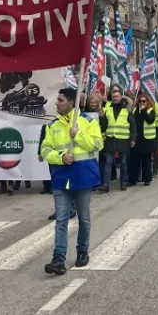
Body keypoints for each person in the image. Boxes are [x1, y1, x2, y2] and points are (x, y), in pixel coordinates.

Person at [42, 88, 102, 275]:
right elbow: (45, 151)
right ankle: (59, 258)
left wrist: (79, 135)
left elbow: (98, 144)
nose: (56, 103)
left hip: (83, 176)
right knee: (61, 219)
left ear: (70, 103)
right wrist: (60, 157)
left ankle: (82, 251)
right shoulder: (52, 126)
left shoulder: (89, 121)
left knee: (84, 218)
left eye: (60, 100)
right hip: (61, 177)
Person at [99, 88, 136, 192]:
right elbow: (104, 126)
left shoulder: (127, 110)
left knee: (123, 164)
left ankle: (123, 183)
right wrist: (102, 118)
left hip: (123, 141)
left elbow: (133, 125)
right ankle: (105, 185)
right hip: (111, 140)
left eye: (117, 96)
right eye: (113, 96)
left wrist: (133, 139)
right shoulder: (108, 109)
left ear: (121, 97)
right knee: (108, 163)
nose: (115, 98)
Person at [128, 93, 157, 185]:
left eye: (144, 101)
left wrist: (143, 110)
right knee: (134, 161)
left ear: (147, 102)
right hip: (136, 139)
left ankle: (146, 179)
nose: (141, 103)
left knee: (146, 161)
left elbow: (150, 120)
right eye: (140, 101)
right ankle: (133, 180)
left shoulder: (151, 110)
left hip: (147, 140)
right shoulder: (134, 110)